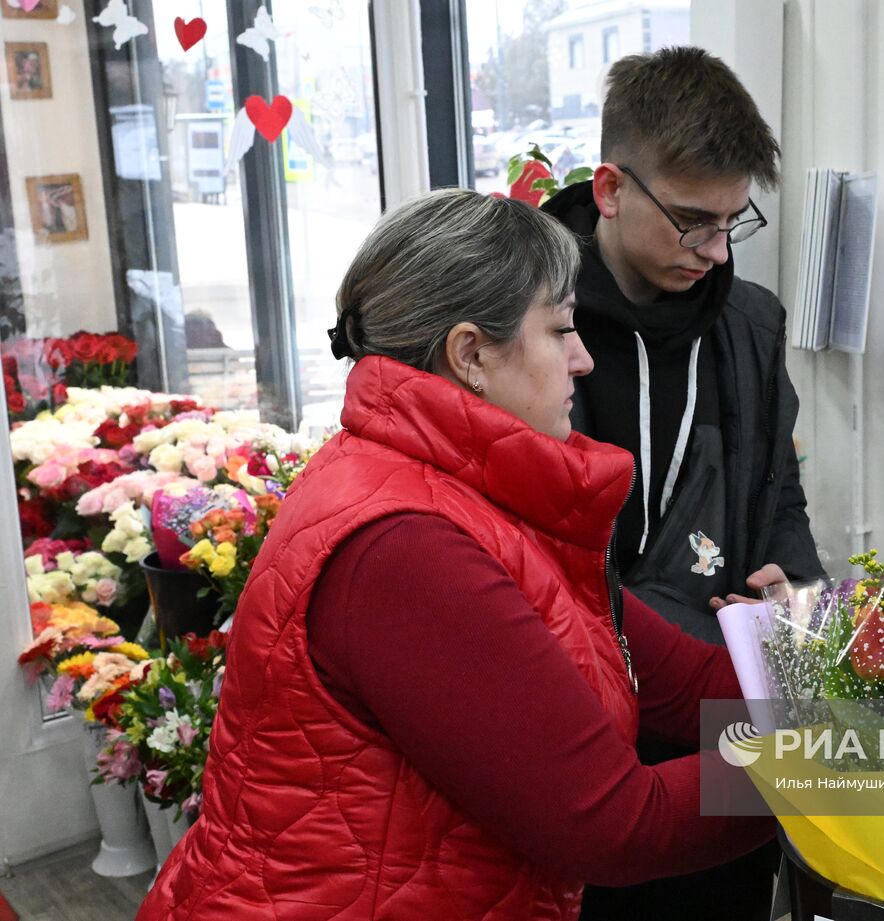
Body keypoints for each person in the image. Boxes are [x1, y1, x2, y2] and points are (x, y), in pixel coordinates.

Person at [135, 189, 773, 921]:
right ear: (469, 353)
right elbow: (612, 821)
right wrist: (834, 767)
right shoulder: (404, 547)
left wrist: (871, 704)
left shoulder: (472, 490)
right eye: (562, 328)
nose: (584, 358)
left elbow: (681, 679)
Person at [541, 45, 822, 921]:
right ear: (611, 188)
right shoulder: (529, 326)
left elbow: (780, 488)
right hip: (583, 708)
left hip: (721, 697)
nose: (712, 249)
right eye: (692, 220)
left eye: (733, 222)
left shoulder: (752, 321)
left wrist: (792, 586)